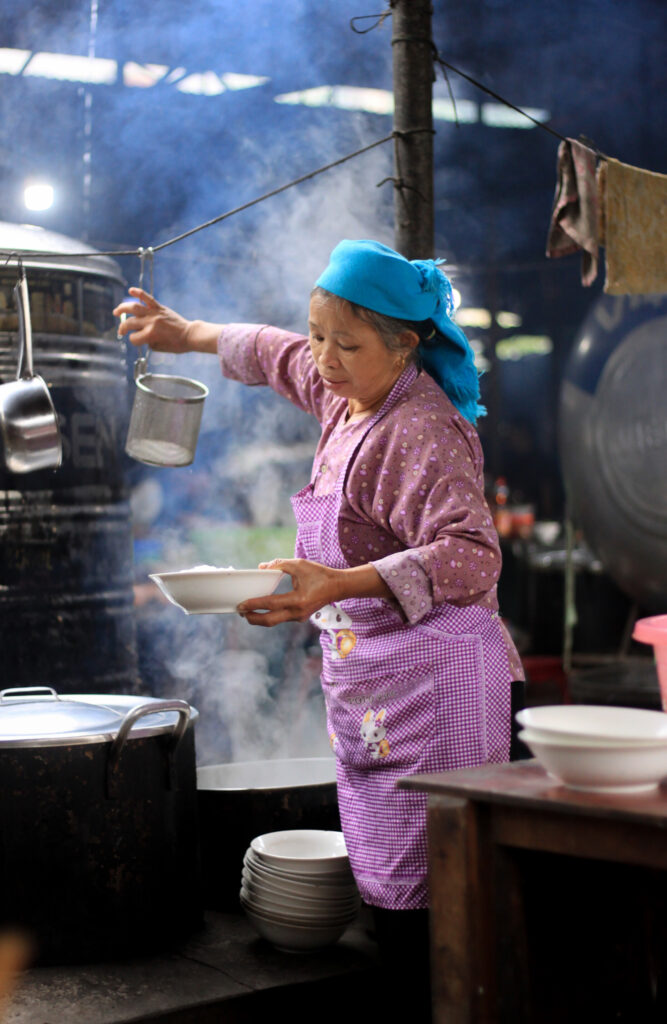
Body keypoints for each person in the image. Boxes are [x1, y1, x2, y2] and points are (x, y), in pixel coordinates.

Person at [114, 239, 524, 1016]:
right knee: (391, 899)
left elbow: (472, 555)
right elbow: (272, 353)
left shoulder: (418, 428)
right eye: (317, 334)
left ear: (404, 345)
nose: (324, 358)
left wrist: (334, 583)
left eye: (347, 343)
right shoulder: (345, 391)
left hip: (441, 689)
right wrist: (184, 333)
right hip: (378, 681)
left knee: (436, 902)